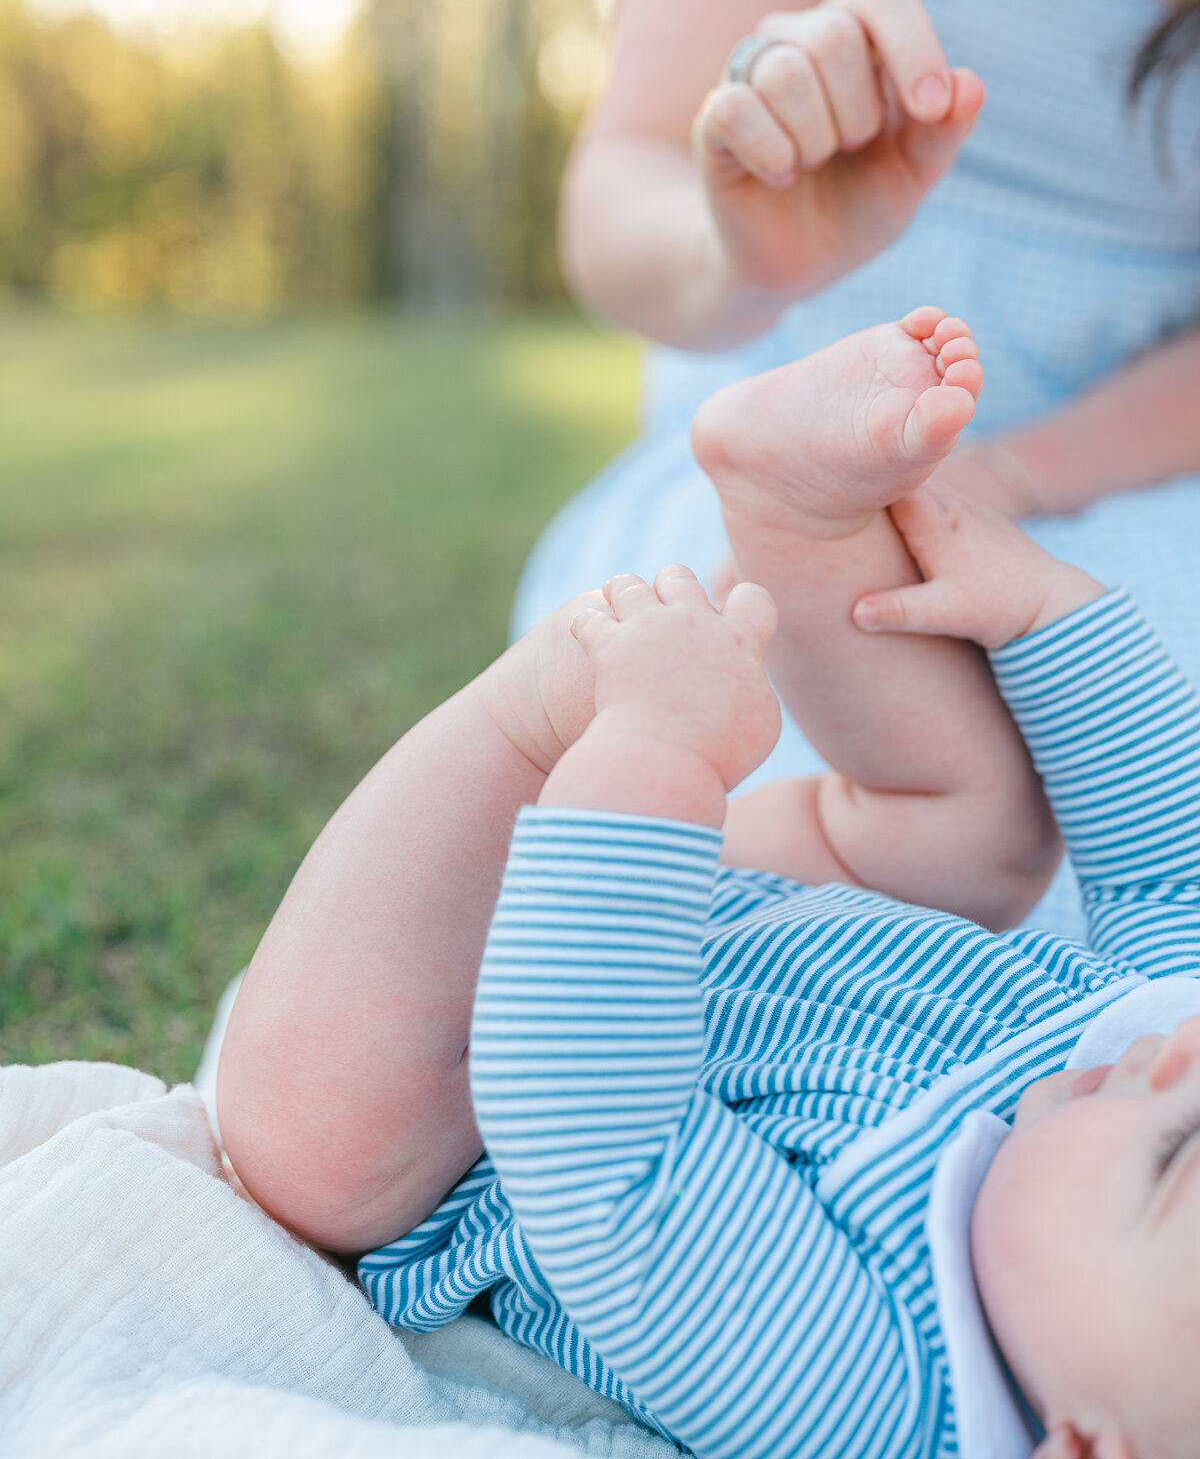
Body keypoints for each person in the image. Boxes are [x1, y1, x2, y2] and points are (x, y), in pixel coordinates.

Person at [218, 309, 1200, 1459]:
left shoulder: (865, 1384)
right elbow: (1171, 860)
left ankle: (541, 708)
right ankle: (798, 519)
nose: (1180, 1056)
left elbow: (604, 1137)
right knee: (985, 839)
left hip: (487, 1088)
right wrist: (1046, 613)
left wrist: (652, 758)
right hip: (769, 915)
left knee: (321, 1140)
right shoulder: (1140, 1073)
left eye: (1175, 1160)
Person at [513, 0, 1200, 935]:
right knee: (717, 813)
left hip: (1145, 473)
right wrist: (741, 256)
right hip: (789, 474)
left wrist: (1011, 479)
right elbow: (618, 194)